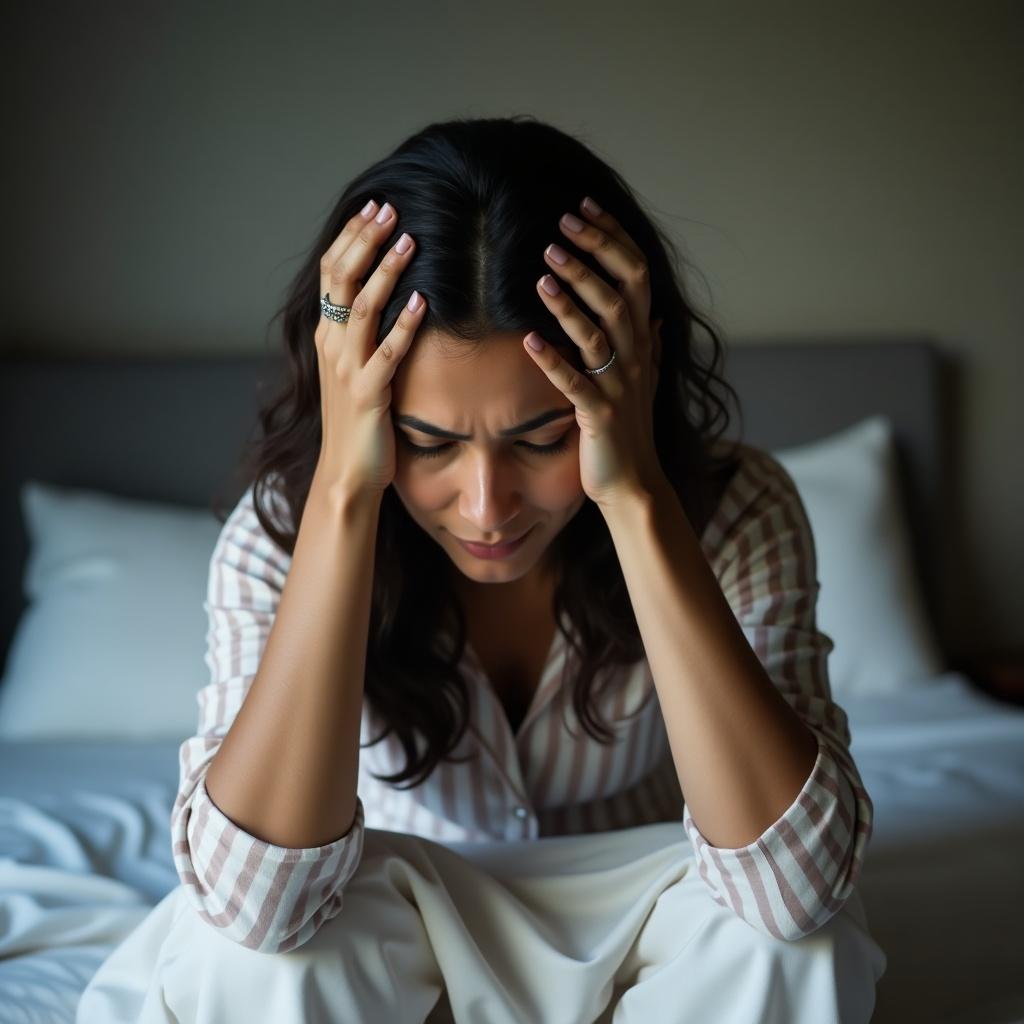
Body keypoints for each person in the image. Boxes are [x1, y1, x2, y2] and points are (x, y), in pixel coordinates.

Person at [76, 115, 886, 1023]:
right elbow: (257, 909)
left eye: (543, 437)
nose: (486, 507)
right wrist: (347, 490)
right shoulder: (278, 533)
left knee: (799, 944)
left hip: (653, 937)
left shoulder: (737, 508)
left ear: (627, 388)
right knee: (255, 961)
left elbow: (799, 889)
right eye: (429, 443)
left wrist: (638, 500)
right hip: (390, 939)